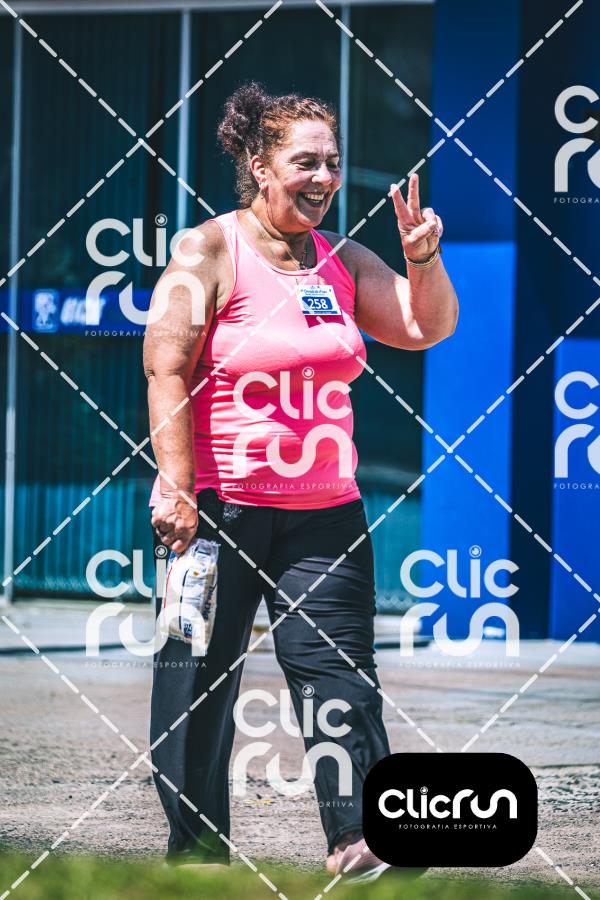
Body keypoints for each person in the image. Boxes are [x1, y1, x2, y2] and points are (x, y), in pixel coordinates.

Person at [144, 81, 458, 881]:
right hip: (219, 509)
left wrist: (421, 257)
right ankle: (196, 857)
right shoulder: (208, 250)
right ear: (259, 164)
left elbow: (425, 326)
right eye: (305, 162)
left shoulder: (341, 259)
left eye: (332, 162)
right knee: (197, 684)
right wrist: (176, 484)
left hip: (325, 513)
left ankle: (362, 836)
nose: (324, 177)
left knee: (340, 675)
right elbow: (165, 366)